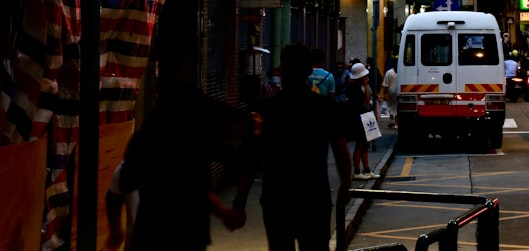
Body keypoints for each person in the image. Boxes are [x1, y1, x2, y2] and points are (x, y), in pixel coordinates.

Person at [108, 75, 255, 251]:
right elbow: (197, 190)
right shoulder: (197, 143)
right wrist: (229, 212)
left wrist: (116, 232)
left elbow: (123, 183)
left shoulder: (144, 141)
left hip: (150, 237)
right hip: (190, 238)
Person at [245, 42, 353, 251]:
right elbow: (342, 153)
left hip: (277, 199)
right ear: (310, 71)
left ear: (281, 70)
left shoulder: (267, 110)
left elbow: (252, 157)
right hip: (314, 198)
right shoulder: (325, 108)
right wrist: (345, 185)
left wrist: (240, 202)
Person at [347, 61, 376, 179]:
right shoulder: (357, 88)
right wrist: (366, 88)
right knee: (360, 144)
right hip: (361, 116)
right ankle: (357, 171)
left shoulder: (359, 86)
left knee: (366, 144)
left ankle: (367, 169)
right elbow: (367, 101)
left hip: (364, 116)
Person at [381, 59, 398, 129]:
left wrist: (385, 94)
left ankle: (391, 121)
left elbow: (385, 85)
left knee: (391, 107)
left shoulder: (389, 72)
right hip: (398, 92)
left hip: (390, 92)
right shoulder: (401, 72)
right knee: (397, 107)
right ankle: (396, 123)